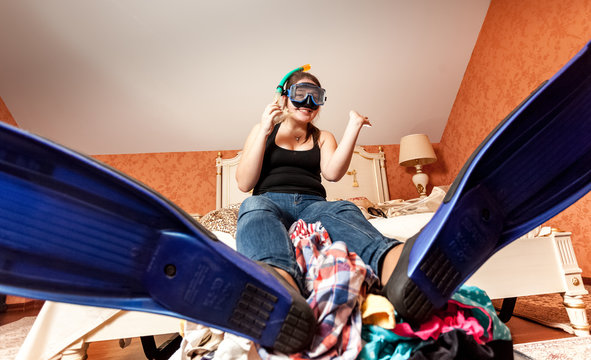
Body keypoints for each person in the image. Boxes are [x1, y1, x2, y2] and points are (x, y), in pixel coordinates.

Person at [235, 70, 404, 316]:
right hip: (269, 200)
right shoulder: (262, 130)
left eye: (315, 96)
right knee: (252, 207)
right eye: (300, 94)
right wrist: (264, 129)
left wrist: (354, 126)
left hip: (313, 204)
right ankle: (282, 288)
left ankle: (395, 265)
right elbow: (243, 183)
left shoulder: (323, 137)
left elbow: (333, 173)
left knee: (343, 209)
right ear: (284, 97)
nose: (308, 103)